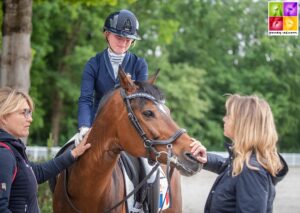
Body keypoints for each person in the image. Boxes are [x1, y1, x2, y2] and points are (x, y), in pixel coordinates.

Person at [190, 94, 289, 213]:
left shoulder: (252, 171)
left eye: (229, 116)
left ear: (243, 123)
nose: (224, 119)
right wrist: (206, 158)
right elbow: (228, 167)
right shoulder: (244, 162)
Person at [0, 87, 91, 213]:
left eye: (30, 113)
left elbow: (36, 173)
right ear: (4, 117)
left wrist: (74, 153)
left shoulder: (13, 150)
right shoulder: (4, 155)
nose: (30, 119)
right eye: (24, 112)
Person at [75, 9, 148, 144]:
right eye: (119, 37)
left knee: (148, 164)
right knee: (68, 155)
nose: (123, 43)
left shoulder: (139, 64)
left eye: (128, 39)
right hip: (97, 125)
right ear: (107, 34)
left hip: (129, 128)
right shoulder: (93, 64)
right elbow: (86, 99)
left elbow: (142, 101)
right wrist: (84, 127)